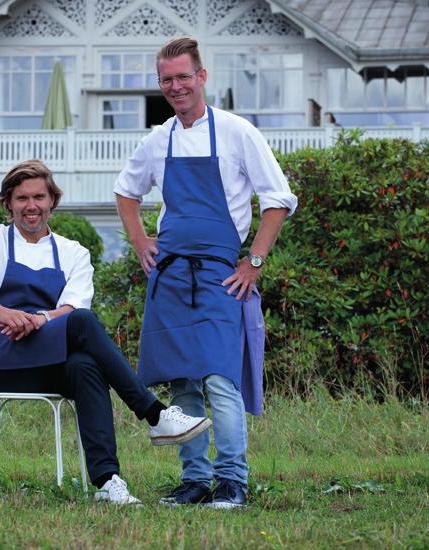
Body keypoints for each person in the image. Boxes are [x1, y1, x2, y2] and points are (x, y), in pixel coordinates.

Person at [0, 160, 210, 505]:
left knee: (85, 365)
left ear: (52, 201)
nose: (31, 206)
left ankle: (108, 481)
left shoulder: (72, 252)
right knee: (82, 322)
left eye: (38, 197)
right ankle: (154, 414)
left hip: (51, 362)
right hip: (4, 366)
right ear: (8, 203)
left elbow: (71, 307)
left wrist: (39, 319)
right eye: (21, 198)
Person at [114, 37, 297, 509]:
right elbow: (126, 192)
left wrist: (252, 261)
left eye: (183, 77)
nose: (176, 87)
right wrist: (140, 242)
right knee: (181, 382)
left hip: (221, 276)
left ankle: (232, 480)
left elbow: (278, 199)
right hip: (170, 275)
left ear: (202, 77)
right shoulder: (158, 140)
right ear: (161, 84)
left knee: (219, 378)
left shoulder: (237, 132)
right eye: (166, 80)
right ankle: (195, 480)